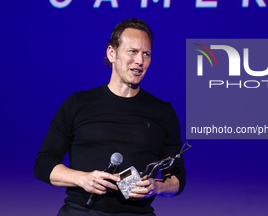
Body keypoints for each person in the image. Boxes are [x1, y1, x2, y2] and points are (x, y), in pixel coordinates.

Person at [34, 18, 186, 216]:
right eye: (132, 51)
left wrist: (155, 186)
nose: (140, 61)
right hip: (81, 211)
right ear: (111, 53)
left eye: (146, 54)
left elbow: (177, 178)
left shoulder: (162, 112)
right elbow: (44, 164)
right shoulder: (78, 104)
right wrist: (83, 179)